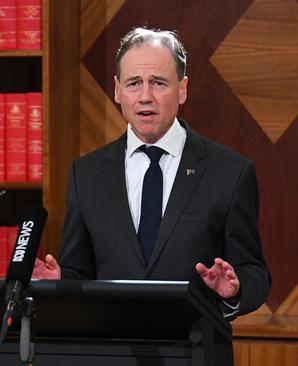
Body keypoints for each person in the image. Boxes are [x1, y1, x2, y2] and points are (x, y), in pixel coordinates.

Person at [32, 27, 270, 363]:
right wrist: (60, 283)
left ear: (182, 90)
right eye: (133, 83)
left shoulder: (230, 172)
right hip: (108, 356)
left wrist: (235, 288)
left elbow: (255, 272)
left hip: (195, 355)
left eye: (158, 82)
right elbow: (80, 272)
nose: (145, 96)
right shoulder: (86, 174)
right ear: (117, 91)